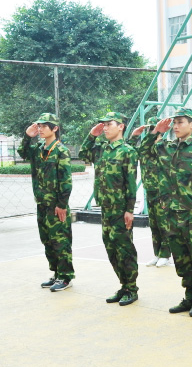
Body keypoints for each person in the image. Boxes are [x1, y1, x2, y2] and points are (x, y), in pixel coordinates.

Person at [137, 107, 192, 317]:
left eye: (181, 122)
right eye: (175, 122)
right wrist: (156, 132)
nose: (176, 126)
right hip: (171, 213)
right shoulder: (166, 147)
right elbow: (143, 152)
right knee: (181, 257)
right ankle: (189, 295)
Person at [79, 112, 139, 306]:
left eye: (108, 124)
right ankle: (123, 285)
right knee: (111, 248)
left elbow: (131, 182)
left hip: (120, 209)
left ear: (121, 126)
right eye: (103, 124)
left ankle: (131, 288)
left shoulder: (128, 151)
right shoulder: (101, 149)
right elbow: (83, 154)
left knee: (125, 249)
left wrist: (129, 209)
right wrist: (92, 135)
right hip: (105, 208)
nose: (105, 128)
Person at [18, 113, 75, 292]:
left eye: (44, 126)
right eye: (39, 126)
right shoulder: (38, 149)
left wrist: (62, 205)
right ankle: (57, 273)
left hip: (56, 206)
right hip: (42, 204)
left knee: (60, 241)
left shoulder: (61, 151)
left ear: (55, 128)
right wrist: (27, 136)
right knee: (47, 240)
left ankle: (66, 276)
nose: (40, 129)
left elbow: (66, 180)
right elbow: (23, 153)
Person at [130, 116, 172, 268]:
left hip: (163, 192)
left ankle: (165, 255)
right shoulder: (145, 148)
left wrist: (157, 139)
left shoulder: (165, 146)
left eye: (155, 129)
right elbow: (131, 152)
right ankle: (157, 253)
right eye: (151, 129)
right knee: (154, 225)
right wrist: (134, 137)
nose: (153, 132)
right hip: (150, 191)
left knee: (164, 225)